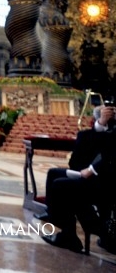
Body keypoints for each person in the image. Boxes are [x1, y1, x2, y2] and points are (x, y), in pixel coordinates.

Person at [39, 104, 115, 252]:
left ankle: (76, 234)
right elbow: (76, 162)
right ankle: (56, 217)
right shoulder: (93, 134)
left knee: (61, 186)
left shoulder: (111, 134)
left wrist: (92, 170)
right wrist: (101, 124)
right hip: (96, 175)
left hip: (107, 181)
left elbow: (110, 152)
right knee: (54, 174)